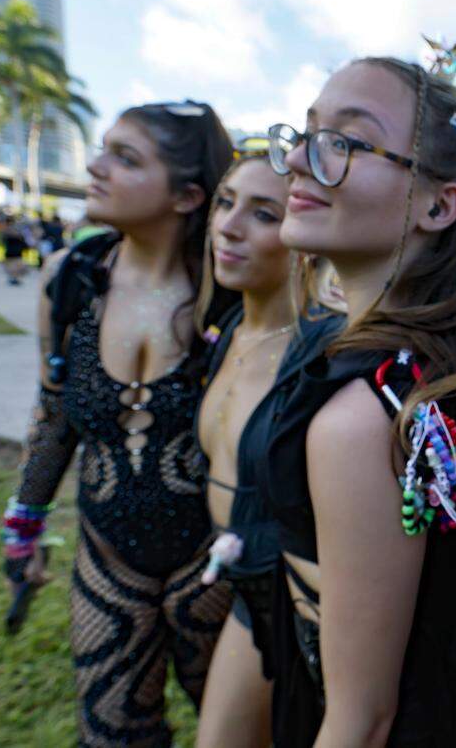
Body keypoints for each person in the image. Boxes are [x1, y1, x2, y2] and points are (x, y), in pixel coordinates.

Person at [260, 54, 456, 746]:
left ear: (440, 204)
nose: (295, 159)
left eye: (343, 142)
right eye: (306, 133)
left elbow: (361, 720)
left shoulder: (364, 416)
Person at [0, 100, 235, 746]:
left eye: (125, 157)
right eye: (103, 149)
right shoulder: (71, 279)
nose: (95, 167)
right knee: (111, 736)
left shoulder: (231, 294)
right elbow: (54, 415)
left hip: (214, 567)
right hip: (107, 562)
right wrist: (24, 523)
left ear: (188, 194)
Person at [192, 150, 308, 747]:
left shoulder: (318, 357)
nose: (228, 226)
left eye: (263, 213)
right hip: (231, 585)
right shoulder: (226, 332)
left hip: (287, 609)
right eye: (226, 202)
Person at [1, 215, 28, 285]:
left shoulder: (6, 230)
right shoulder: (18, 229)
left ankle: (13, 278)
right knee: (15, 265)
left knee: (11, 265)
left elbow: (2, 240)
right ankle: (15, 278)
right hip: (17, 250)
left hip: (11, 250)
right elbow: (23, 239)